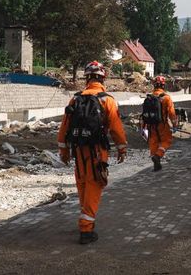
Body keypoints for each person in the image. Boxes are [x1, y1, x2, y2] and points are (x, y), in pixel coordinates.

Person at [57, 61, 127, 244]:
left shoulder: (75, 99)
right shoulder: (107, 100)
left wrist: (63, 151)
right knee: (95, 185)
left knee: (82, 184)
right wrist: (122, 148)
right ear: (103, 78)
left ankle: (85, 216)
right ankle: (86, 229)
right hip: (97, 150)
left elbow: (64, 127)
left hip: (78, 149)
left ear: (87, 78)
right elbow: (116, 129)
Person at [142, 75, 177, 172]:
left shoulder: (149, 97)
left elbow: (144, 114)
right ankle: (158, 156)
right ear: (163, 85)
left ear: (154, 86)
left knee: (153, 142)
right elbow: (172, 113)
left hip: (151, 125)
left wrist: (143, 127)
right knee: (167, 140)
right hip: (162, 125)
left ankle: (156, 164)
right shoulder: (166, 98)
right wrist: (174, 125)